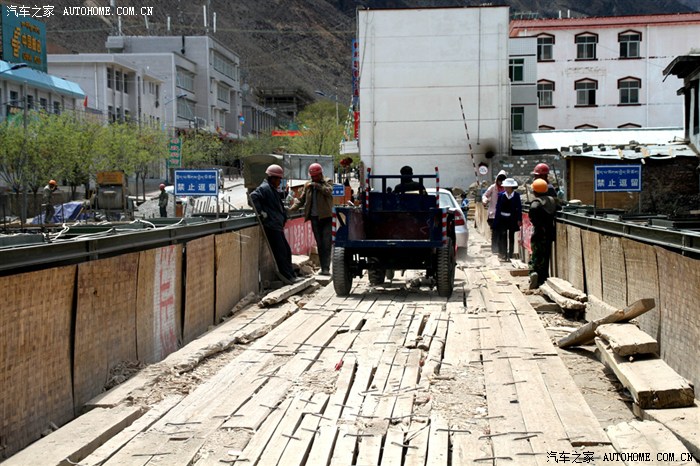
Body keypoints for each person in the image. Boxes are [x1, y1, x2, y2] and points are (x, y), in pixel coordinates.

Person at [249, 164, 297, 284]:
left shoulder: (271, 189)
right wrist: (261, 212)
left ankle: (291, 274)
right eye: (279, 179)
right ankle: (287, 276)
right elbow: (253, 197)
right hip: (271, 225)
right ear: (273, 178)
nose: (279, 182)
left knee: (286, 250)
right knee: (281, 252)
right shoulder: (264, 188)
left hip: (276, 225)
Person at [290, 163, 334, 275]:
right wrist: (291, 209)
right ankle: (323, 267)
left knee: (326, 243)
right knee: (320, 243)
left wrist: (317, 186)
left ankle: (326, 268)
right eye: (312, 176)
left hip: (326, 218)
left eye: (315, 176)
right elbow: (301, 200)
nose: (314, 178)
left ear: (320, 174)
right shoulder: (308, 185)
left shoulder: (328, 181)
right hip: (314, 218)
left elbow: (329, 191)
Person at [528, 178, 558, 289]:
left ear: (534, 191)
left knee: (536, 254)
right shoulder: (552, 201)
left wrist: (536, 222)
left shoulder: (536, 203)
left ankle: (534, 273)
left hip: (538, 233)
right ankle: (543, 278)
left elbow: (533, 216)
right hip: (549, 233)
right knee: (546, 256)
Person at [493, 178, 522, 261]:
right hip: (502, 219)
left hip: (512, 219)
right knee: (503, 236)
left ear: (511, 187)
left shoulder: (516, 196)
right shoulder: (501, 195)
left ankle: (511, 254)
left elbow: (519, 208)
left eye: (507, 186)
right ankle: (504, 254)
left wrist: (519, 219)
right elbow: (498, 208)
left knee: (511, 236)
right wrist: (496, 220)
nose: (505, 188)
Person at [481, 170, 506, 254]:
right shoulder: (493, 187)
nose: (500, 182)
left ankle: (502, 250)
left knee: (502, 233)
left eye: (502, 181)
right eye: (499, 180)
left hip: (503, 215)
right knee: (495, 232)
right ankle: (495, 250)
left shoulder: (507, 188)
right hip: (493, 214)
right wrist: (485, 200)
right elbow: (485, 195)